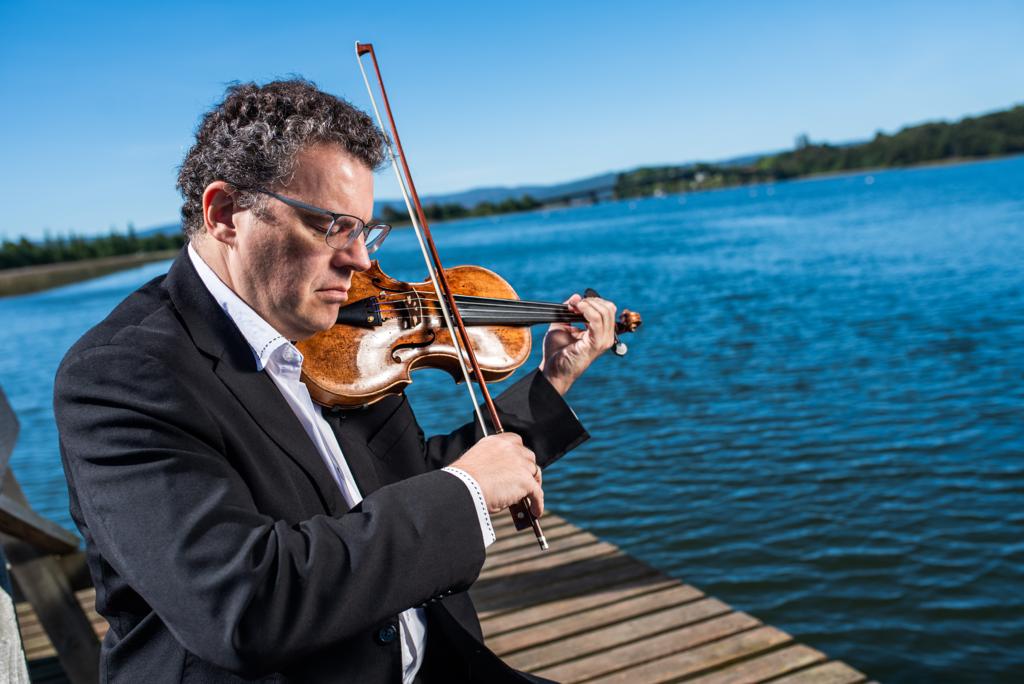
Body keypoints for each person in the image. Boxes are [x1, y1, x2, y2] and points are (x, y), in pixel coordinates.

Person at [54, 79, 618, 683]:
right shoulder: (120, 377)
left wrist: (550, 383)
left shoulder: (332, 333)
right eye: (331, 226)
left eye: (365, 230)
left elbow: (407, 481)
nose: (361, 261)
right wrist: (469, 493)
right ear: (224, 215)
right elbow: (246, 604)